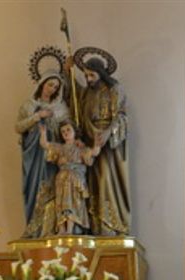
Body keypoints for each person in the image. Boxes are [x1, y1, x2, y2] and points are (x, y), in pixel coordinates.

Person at [66, 53, 130, 236]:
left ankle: (109, 225)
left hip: (107, 142)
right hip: (89, 140)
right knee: (92, 183)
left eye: (92, 75)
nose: (88, 79)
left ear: (101, 73)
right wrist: (67, 73)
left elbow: (121, 115)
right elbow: (76, 102)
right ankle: (95, 225)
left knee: (106, 180)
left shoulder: (114, 89)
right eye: (86, 75)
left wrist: (109, 131)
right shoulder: (87, 91)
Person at [15, 72, 69, 237]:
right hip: (33, 154)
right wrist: (38, 116)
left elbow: (68, 128)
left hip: (51, 156)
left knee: (52, 186)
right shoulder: (28, 105)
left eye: (56, 87)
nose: (52, 89)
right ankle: (33, 228)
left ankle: (49, 228)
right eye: (50, 84)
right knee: (33, 188)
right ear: (42, 84)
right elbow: (19, 127)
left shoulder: (61, 108)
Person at [39, 120, 100, 235]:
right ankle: (61, 228)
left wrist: (97, 143)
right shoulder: (60, 148)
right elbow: (45, 144)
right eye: (63, 131)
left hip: (74, 180)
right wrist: (43, 133)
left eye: (68, 130)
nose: (66, 133)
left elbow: (94, 152)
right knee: (60, 203)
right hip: (61, 180)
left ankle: (70, 229)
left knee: (72, 203)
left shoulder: (80, 149)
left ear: (74, 132)